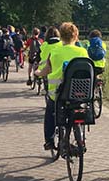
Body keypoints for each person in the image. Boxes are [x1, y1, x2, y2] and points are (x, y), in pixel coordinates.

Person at [36, 22, 89, 151]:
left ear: (61, 37)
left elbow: (47, 70)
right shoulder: (82, 51)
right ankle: (81, 139)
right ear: (76, 36)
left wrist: (37, 73)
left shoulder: (55, 52)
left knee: (50, 112)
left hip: (59, 93)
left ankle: (49, 141)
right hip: (80, 92)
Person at [38, 26, 61, 93]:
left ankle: (46, 90)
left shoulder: (44, 45)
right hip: (57, 68)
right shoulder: (61, 44)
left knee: (48, 89)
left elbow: (38, 56)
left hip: (45, 69)